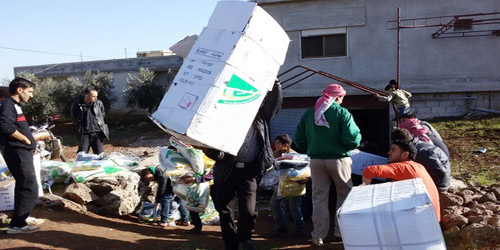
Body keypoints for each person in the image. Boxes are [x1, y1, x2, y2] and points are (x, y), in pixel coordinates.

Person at [204, 81, 282, 250]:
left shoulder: (260, 119)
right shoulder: (223, 122)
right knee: (225, 211)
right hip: (226, 172)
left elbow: (273, 104)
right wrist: (212, 152)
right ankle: (230, 243)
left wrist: (275, 83)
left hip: (249, 172)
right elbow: (216, 151)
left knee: (249, 211)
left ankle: (245, 238)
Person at [294, 83, 361, 245]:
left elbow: (299, 139)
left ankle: (318, 235)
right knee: (344, 195)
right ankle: (341, 232)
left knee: (319, 198)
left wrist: (311, 149)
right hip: (339, 159)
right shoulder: (342, 113)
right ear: (337, 97)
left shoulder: (310, 113)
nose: (343, 99)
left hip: (316, 161)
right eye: (342, 96)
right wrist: (344, 147)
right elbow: (352, 139)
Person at [362, 139, 441, 221]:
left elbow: (369, 171)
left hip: (423, 221)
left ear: (405, 154)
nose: (389, 153)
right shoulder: (419, 166)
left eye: (393, 150)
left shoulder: (403, 167)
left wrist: (364, 195)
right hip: (433, 220)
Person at [0, 77, 39, 234]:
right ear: (19, 90)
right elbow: (4, 126)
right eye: (29, 92)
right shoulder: (7, 105)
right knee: (28, 186)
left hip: (21, 151)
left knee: (25, 185)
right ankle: (17, 225)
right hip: (16, 151)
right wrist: (25, 140)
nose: (31, 95)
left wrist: (30, 142)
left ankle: (20, 218)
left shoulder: (15, 105)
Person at [270, 134, 305, 237]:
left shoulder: (295, 156)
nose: (276, 145)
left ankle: (300, 229)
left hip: (294, 185)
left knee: (294, 207)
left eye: (278, 143)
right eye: (275, 143)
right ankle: (282, 227)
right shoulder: (276, 154)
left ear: (285, 145)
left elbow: (303, 171)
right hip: (282, 184)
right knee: (274, 203)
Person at [71, 87, 109, 154]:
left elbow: (102, 115)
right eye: (93, 96)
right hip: (84, 134)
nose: (96, 98)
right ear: (86, 96)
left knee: (100, 155)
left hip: (97, 134)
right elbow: (74, 118)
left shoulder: (99, 104)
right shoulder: (77, 105)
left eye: (96, 96)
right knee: (82, 155)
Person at [180, 170, 214, 234]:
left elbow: (211, 175)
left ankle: (198, 227)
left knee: (195, 205)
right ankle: (197, 227)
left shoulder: (210, 164)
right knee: (192, 206)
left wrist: (196, 179)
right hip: (195, 186)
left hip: (203, 186)